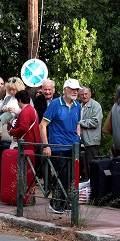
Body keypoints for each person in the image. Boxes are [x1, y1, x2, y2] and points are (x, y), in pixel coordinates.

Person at [40, 78, 82, 213]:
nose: (75, 92)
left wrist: (78, 138)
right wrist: (46, 145)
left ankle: (65, 202)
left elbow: (78, 123)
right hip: (58, 146)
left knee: (71, 176)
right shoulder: (55, 104)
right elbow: (43, 125)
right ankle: (56, 202)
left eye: (77, 89)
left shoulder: (78, 105)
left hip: (72, 146)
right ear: (65, 90)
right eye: (72, 89)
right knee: (61, 175)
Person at [78, 86, 102, 176]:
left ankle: (93, 185)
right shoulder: (79, 106)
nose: (84, 96)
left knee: (91, 165)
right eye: (82, 94)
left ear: (90, 94)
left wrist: (80, 122)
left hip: (91, 141)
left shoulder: (96, 106)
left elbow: (95, 122)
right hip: (80, 140)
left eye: (86, 94)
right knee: (81, 165)